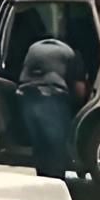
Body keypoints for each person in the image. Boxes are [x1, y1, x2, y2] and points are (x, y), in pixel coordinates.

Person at [16, 36, 87, 180]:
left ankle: (43, 180)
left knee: (39, 143)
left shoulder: (34, 47)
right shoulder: (71, 53)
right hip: (51, 95)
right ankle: (57, 182)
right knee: (57, 145)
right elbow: (79, 88)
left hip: (26, 95)